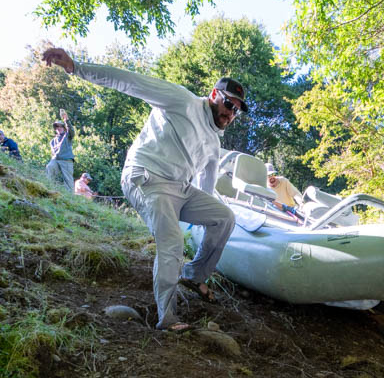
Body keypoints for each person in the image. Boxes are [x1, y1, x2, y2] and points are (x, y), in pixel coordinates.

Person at [42, 47, 246, 332]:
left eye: (236, 110)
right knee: (171, 241)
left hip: (181, 189)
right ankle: (168, 317)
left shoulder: (214, 144)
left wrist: (199, 220)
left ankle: (194, 274)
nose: (231, 113)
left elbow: (207, 184)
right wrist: (76, 67)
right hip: (146, 178)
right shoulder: (181, 100)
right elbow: (129, 81)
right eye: (228, 104)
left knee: (225, 217)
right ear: (214, 95)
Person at [46, 109, 75, 190]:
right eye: (56, 127)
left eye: (60, 126)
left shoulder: (68, 136)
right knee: (49, 167)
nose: (58, 128)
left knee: (68, 180)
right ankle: (49, 188)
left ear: (64, 128)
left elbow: (71, 130)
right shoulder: (52, 141)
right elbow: (53, 153)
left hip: (66, 160)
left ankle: (71, 198)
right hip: (56, 159)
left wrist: (66, 120)